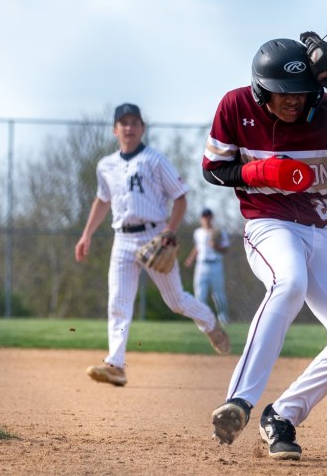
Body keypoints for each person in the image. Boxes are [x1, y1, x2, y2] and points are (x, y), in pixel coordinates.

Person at [204, 38, 327, 461]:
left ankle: (281, 416)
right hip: (270, 223)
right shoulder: (236, 106)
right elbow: (213, 169)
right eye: (283, 93)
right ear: (261, 90)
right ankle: (240, 400)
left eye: (301, 93)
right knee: (290, 281)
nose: (294, 101)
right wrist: (258, 172)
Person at [75, 103, 231, 387]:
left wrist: (170, 231)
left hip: (155, 236)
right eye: (124, 123)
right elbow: (102, 199)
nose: (129, 128)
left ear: (143, 128)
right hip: (122, 239)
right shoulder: (105, 165)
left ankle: (209, 322)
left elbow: (180, 196)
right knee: (118, 301)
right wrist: (86, 234)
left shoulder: (155, 160)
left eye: (135, 122)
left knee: (176, 301)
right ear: (115, 130)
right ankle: (116, 365)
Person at [184, 208, 232, 327]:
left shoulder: (219, 232)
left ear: (211, 217)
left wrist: (216, 246)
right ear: (201, 218)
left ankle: (223, 318)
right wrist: (190, 258)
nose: (206, 219)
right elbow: (197, 247)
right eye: (204, 217)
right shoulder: (198, 232)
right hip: (201, 265)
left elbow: (225, 249)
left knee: (218, 295)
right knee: (200, 294)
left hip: (215, 264)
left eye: (207, 216)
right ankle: (203, 319)